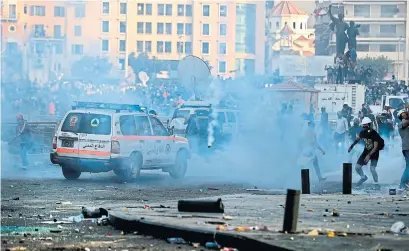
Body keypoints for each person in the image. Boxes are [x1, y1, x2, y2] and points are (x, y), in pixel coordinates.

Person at [348, 117, 383, 190]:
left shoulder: (374, 133)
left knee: (372, 169)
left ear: (369, 125)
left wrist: (369, 155)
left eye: (366, 125)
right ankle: (363, 177)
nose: (364, 127)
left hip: (374, 153)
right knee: (357, 167)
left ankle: (376, 184)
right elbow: (357, 140)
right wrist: (351, 147)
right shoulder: (362, 132)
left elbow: (375, 147)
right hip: (366, 151)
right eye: (363, 125)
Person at [397, 110, 409, 190]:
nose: (405, 114)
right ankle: (402, 184)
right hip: (407, 148)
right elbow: (406, 122)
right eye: (403, 114)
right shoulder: (401, 124)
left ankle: (405, 183)